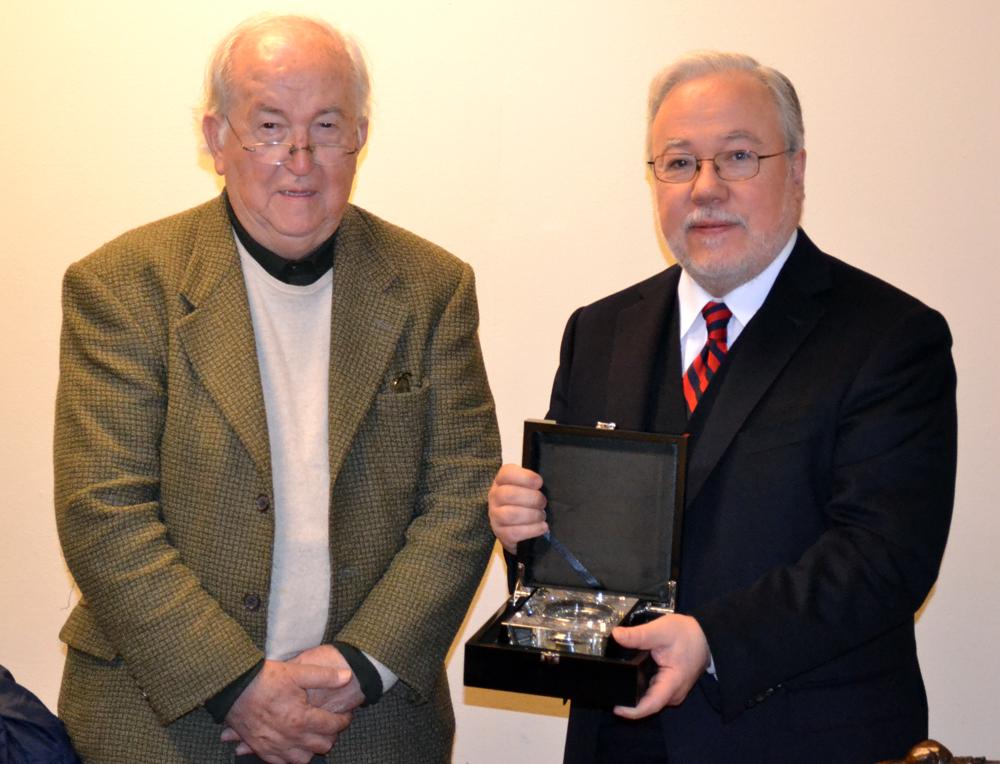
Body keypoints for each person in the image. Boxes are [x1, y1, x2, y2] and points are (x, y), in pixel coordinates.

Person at [54, 14, 499, 764]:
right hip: (160, 721)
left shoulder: (431, 287)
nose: (300, 159)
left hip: (369, 719)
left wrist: (360, 664)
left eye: (326, 126)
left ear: (360, 134)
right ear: (215, 137)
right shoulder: (123, 284)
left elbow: (462, 496)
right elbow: (103, 511)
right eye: (268, 126)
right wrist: (237, 685)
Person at [489, 51, 956, 764]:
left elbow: (884, 558)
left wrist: (713, 641)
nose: (705, 188)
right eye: (678, 163)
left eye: (737, 156)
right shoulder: (598, 330)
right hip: (619, 741)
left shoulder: (891, 337)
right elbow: (578, 561)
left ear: (797, 170)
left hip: (803, 741)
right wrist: (525, 531)